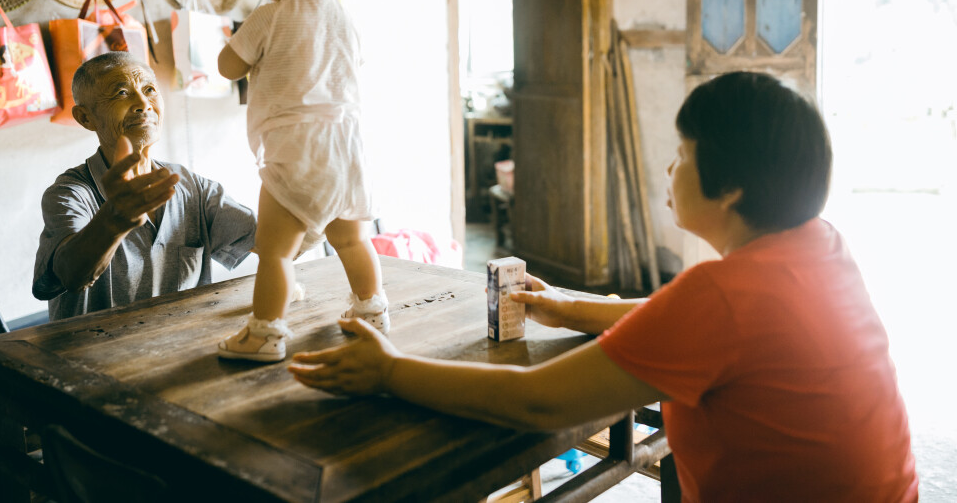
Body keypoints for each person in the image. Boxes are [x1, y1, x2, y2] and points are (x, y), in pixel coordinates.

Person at [287, 72, 919, 502]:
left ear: (730, 188)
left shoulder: (725, 295)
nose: (670, 168)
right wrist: (570, 307)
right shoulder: (818, 246)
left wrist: (390, 371)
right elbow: (686, 323)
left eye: (683, 152)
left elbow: (539, 403)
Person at [215, 0, 385, 363]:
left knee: (275, 253)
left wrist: (237, 47)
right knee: (351, 239)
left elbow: (229, 67)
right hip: (347, 150)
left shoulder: (270, 15)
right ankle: (373, 313)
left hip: (297, 151)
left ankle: (265, 333)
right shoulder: (346, 17)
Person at [33, 52, 256, 321]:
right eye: (121, 93)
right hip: (96, 356)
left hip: (180, 348)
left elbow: (273, 242)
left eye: (149, 89)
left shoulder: (190, 185)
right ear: (85, 118)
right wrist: (115, 219)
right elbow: (71, 275)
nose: (143, 104)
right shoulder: (70, 194)